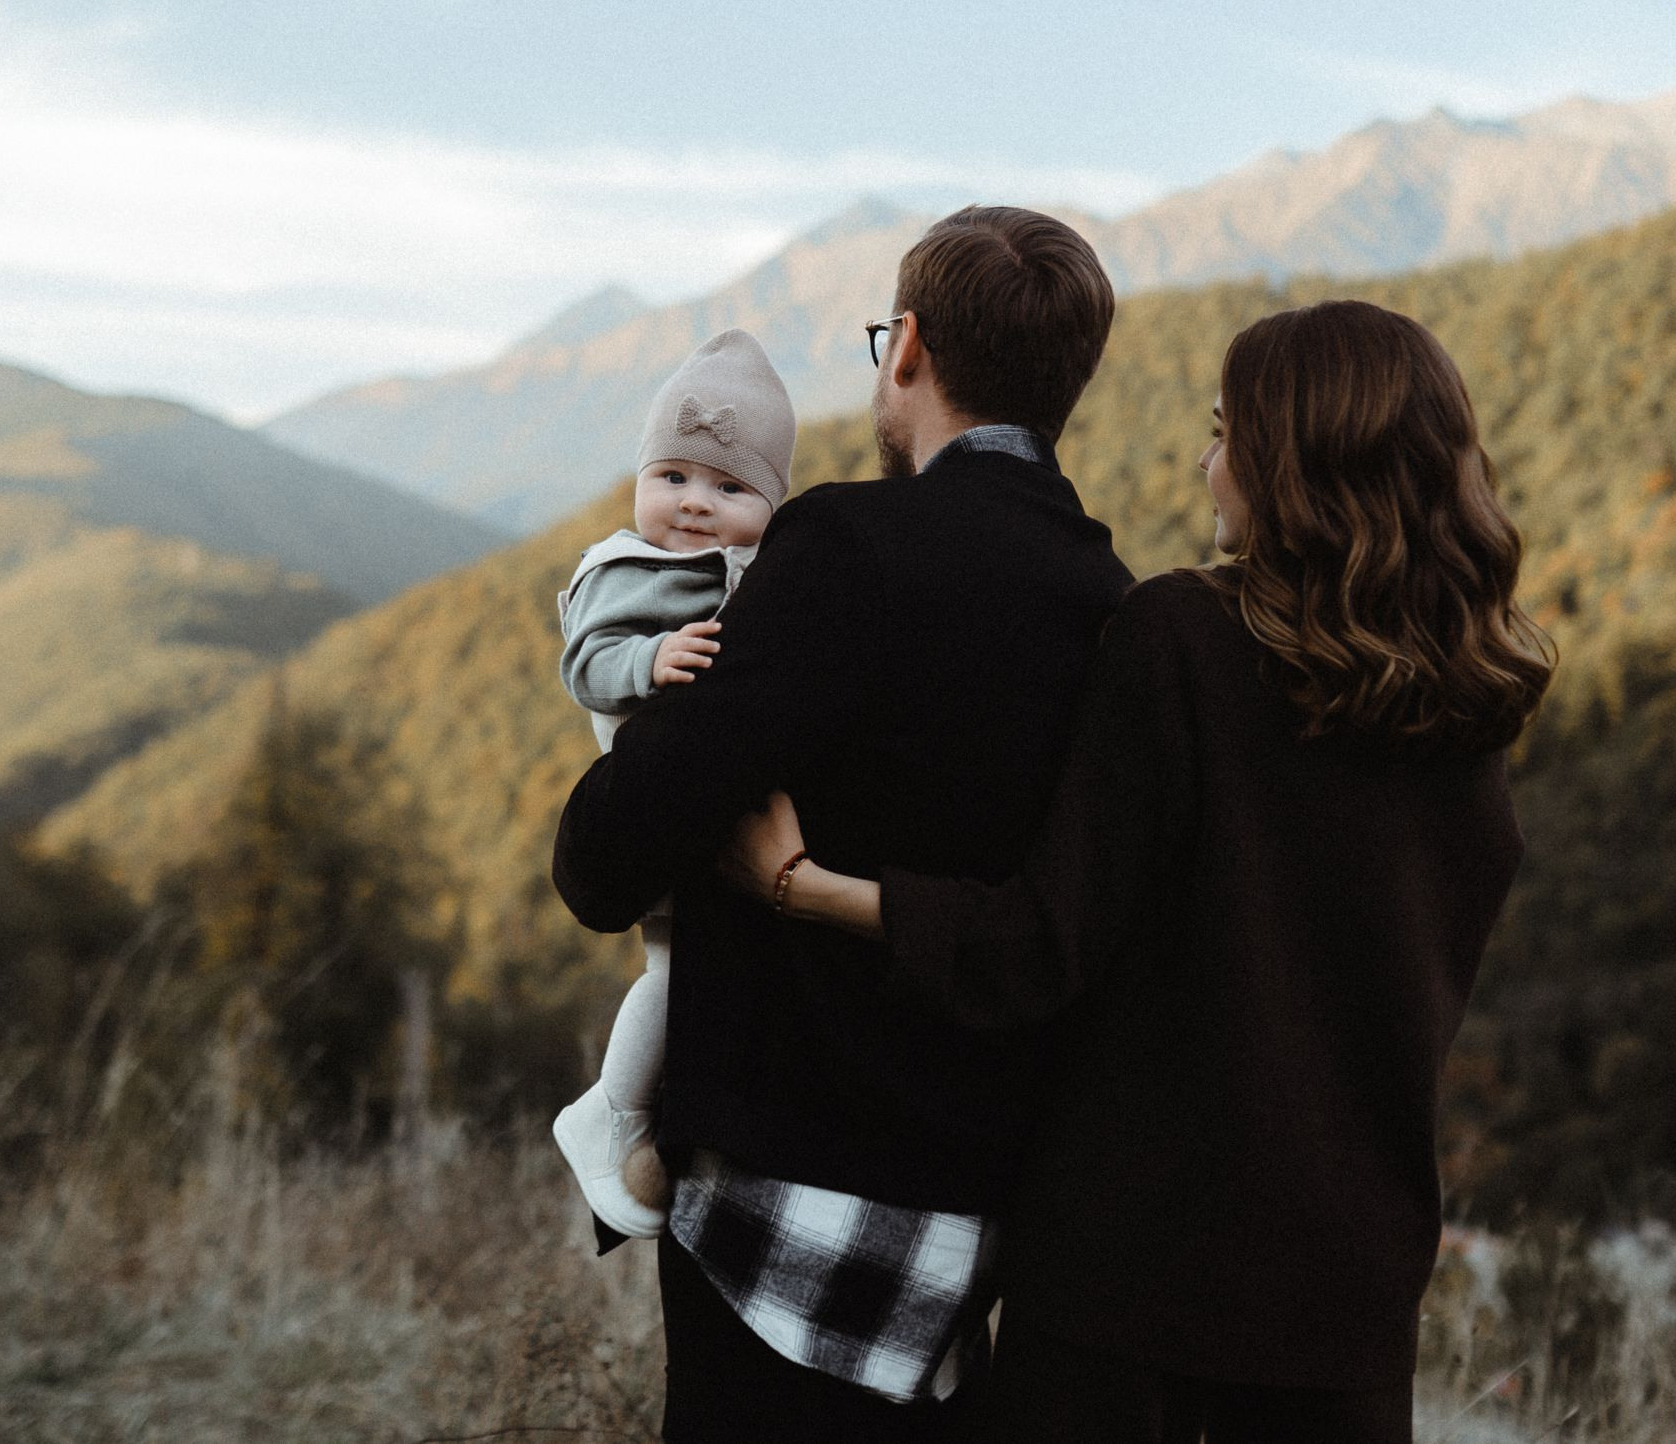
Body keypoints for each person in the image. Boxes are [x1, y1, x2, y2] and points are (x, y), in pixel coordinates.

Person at [725, 300, 1557, 1444]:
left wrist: (800, 885)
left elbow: (1038, 942)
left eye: (1225, 433)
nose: (1206, 463)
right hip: (1350, 1292)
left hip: (1134, 1278)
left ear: (1292, 459)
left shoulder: (1184, 639)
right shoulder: (1471, 708)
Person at [552, 206, 1130, 1442]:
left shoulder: (842, 545)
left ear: (907, 347)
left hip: (778, 1204)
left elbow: (606, 858)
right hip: (975, 1216)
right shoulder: (1114, 601)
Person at [551, 327, 797, 1240]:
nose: (696, 505)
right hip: (657, 813)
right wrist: (651, 658)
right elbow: (587, 662)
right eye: (675, 478)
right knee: (674, 970)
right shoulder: (626, 571)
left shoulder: (737, 570)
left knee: (687, 972)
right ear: (641, 480)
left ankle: (642, 1112)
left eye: (731, 488)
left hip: (702, 814)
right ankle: (609, 1110)